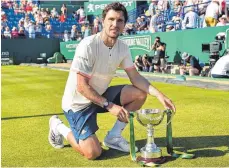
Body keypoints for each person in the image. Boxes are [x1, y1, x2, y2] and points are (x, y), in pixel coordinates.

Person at [48, 2, 176, 160]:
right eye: (111, 19)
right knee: (93, 153)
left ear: (124, 25)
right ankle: (58, 126)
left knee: (139, 94)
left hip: (99, 96)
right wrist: (110, 106)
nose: (115, 24)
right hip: (77, 104)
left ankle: (113, 137)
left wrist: (159, 95)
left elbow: (135, 77)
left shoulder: (123, 48)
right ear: (103, 21)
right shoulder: (87, 45)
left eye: (120, 21)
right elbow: (82, 87)